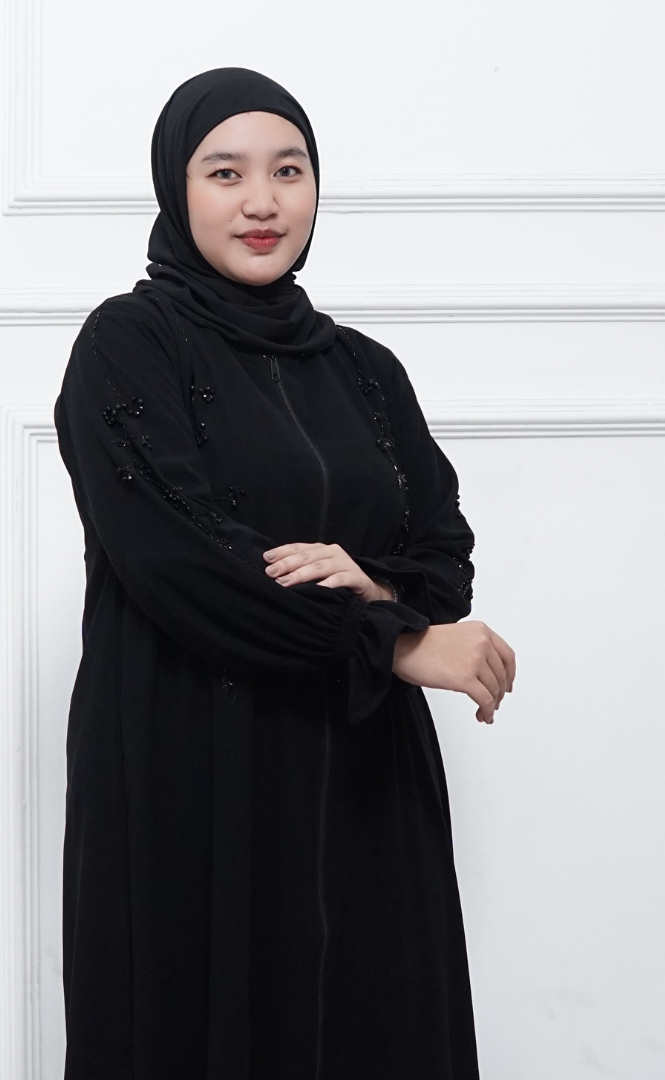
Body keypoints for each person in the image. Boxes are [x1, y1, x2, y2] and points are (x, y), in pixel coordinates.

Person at [54, 66, 516, 1080]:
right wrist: (391, 640)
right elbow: (184, 566)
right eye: (225, 173)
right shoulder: (127, 345)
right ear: (177, 188)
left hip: (362, 775)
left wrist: (376, 586)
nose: (262, 202)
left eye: (289, 171)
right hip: (191, 769)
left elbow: (443, 555)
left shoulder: (365, 370)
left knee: (374, 1026)